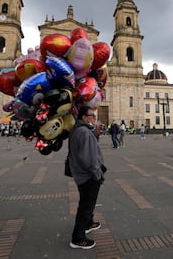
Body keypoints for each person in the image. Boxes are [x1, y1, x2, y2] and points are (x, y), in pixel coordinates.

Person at [68, 106, 106, 250]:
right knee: (86, 206)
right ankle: (78, 238)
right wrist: (97, 175)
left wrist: (95, 135)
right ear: (84, 117)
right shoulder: (84, 132)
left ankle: (89, 223)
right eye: (92, 116)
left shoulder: (79, 130)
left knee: (86, 203)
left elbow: (85, 148)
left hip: (80, 173)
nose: (94, 119)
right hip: (88, 176)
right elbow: (89, 158)